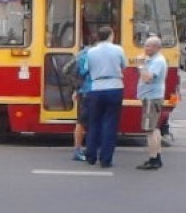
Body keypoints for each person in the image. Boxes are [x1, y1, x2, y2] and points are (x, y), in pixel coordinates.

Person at [83, 26, 127, 168]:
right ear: (111, 35)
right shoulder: (118, 50)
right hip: (114, 87)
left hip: (96, 87)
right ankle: (106, 159)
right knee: (110, 123)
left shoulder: (91, 52)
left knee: (93, 122)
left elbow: (86, 69)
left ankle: (90, 156)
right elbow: (124, 66)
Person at [136, 35, 167, 170]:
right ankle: (157, 157)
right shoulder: (154, 60)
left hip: (151, 98)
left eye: (148, 46)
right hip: (151, 97)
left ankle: (153, 159)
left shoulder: (158, 61)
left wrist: (141, 64)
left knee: (150, 130)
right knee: (155, 129)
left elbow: (147, 78)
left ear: (156, 47)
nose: (145, 48)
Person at [69, 44, 92, 161]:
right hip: (90, 90)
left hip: (83, 91)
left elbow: (72, 72)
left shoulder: (81, 54)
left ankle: (78, 150)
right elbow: (84, 72)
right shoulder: (91, 54)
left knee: (81, 121)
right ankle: (85, 150)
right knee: (85, 122)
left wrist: (77, 89)